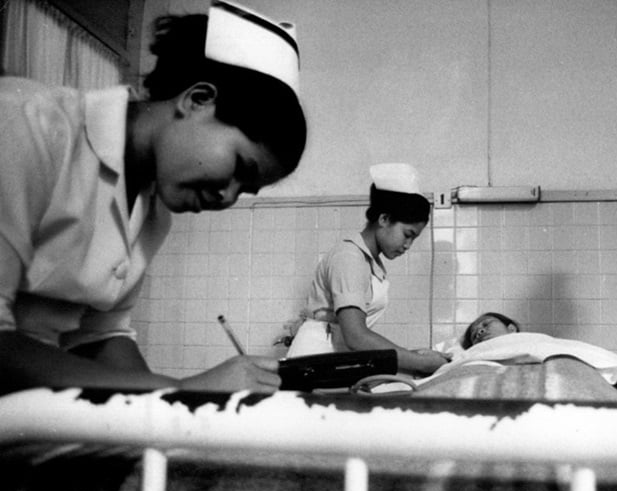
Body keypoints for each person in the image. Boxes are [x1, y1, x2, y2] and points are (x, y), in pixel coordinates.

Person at [0, 1, 306, 395]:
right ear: (197, 99)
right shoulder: (27, 124)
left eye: (245, 191)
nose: (227, 196)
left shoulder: (153, 211)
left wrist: (172, 405)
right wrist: (181, 391)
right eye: (238, 169)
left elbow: (99, 336)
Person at [286, 163, 450, 375]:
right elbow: (356, 337)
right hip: (315, 360)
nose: (408, 245)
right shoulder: (349, 258)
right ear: (384, 219)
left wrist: (414, 355)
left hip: (334, 359)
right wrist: (420, 362)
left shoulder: (368, 260)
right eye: (407, 235)